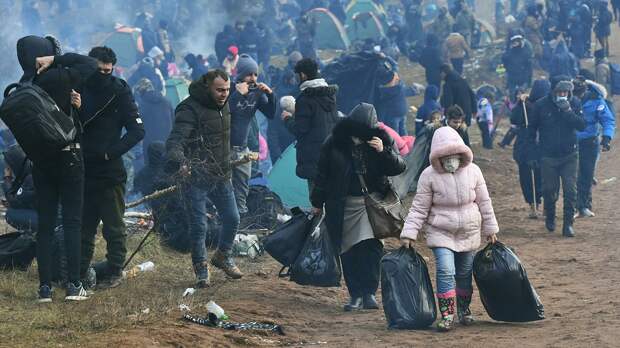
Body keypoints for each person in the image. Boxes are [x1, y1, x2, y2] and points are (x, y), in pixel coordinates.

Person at [16, 35, 97, 302]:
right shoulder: (60, 77)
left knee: (46, 226)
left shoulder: (24, 85)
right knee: (73, 222)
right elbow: (91, 63)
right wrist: (57, 60)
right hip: (69, 157)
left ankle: (44, 289)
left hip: (41, 162)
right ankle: (74, 285)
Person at [401, 126, 499, 331]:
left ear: (461, 153)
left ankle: (464, 310)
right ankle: (447, 315)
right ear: (438, 156)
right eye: (445, 156)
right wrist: (409, 232)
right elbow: (419, 207)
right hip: (441, 230)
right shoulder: (428, 176)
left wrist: (490, 227)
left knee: (464, 274)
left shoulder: (474, 171)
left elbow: (484, 201)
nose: (450, 160)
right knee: (446, 270)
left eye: (454, 155)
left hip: (469, 230)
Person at [311, 103, 406, 311]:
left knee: (371, 247)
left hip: (371, 204)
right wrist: (317, 202)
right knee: (348, 250)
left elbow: (398, 167)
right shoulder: (335, 142)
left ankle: (369, 292)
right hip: (342, 204)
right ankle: (355, 295)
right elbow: (322, 175)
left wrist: (383, 151)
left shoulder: (381, 139)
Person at [165, 70, 243, 287]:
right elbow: (176, 140)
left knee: (233, 218)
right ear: (207, 86)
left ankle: (222, 256)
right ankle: (201, 270)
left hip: (222, 174)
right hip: (196, 178)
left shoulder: (225, 105)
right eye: (219, 90)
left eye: (227, 90)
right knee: (199, 226)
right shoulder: (189, 108)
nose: (224, 94)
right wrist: (179, 161)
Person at [79, 46, 145, 289]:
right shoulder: (78, 86)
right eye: (100, 69)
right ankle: (80, 274)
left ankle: (115, 271)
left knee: (114, 228)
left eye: (109, 70)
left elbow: (137, 130)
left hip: (109, 173)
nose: (104, 74)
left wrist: (110, 152)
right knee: (83, 229)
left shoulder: (119, 91)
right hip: (83, 170)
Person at [528, 76, 586, 237]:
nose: (562, 94)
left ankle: (568, 224)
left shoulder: (574, 103)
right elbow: (531, 131)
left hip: (570, 154)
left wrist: (568, 111)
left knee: (570, 190)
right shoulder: (541, 105)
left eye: (566, 92)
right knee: (549, 190)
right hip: (548, 155)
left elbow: (582, 125)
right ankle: (551, 216)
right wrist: (532, 155)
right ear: (552, 91)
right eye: (559, 91)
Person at [229, 54, 276, 216]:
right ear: (240, 74)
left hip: (243, 148)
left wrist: (270, 95)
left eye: (255, 74)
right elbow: (224, 112)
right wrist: (237, 95)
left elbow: (270, 113)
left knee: (242, 187)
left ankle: (241, 220)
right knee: (226, 187)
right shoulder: (229, 89)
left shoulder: (256, 94)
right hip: (225, 148)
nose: (253, 78)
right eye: (249, 74)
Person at [282, 58, 339, 189]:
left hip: (313, 157)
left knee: (316, 197)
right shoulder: (331, 95)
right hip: (332, 153)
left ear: (303, 75)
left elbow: (300, 130)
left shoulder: (305, 99)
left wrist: (287, 119)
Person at [575, 80, 615, 218]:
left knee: (586, 174)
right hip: (570, 142)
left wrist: (607, 137)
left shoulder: (596, 101)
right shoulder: (566, 99)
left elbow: (607, 120)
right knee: (574, 175)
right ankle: (578, 205)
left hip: (589, 142)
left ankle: (583, 206)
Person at [510, 79, 549, 218]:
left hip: (535, 146)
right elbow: (514, 119)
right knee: (533, 177)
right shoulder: (525, 106)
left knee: (537, 177)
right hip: (528, 146)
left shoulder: (548, 105)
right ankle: (536, 207)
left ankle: (540, 207)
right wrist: (521, 104)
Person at [133, 78, 174, 165]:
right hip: (168, 143)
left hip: (150, 146)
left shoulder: (141, 106)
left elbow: (137, 124)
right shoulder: (167, 101)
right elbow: (174, 121)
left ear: (141, 92)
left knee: (151, 172)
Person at [2, 145, 37, 232]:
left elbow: (13, 201)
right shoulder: (34, 171)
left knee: (10, 214)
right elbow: (29, 200)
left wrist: (7, 178)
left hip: (52, 220)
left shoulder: (30, 178)